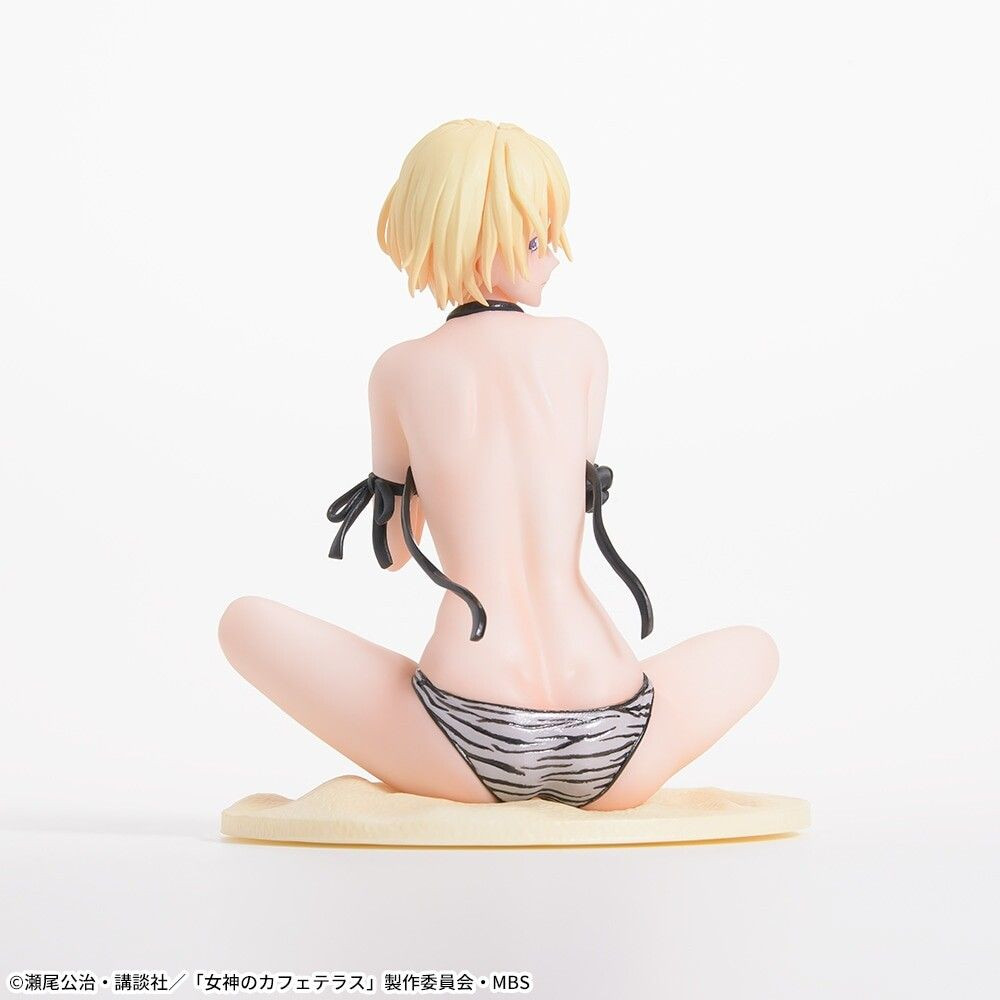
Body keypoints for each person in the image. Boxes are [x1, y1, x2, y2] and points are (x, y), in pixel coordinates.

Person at [218, 119, 778, 810]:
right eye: (538, 240)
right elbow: (568, 491)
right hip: (618, 730)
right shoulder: (582, 348)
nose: (554, 259)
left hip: (463, 732)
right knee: (756, 648)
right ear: (476, 241)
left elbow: (395, 552)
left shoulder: (400, 369)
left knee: (243, 623)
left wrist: (420, 474)